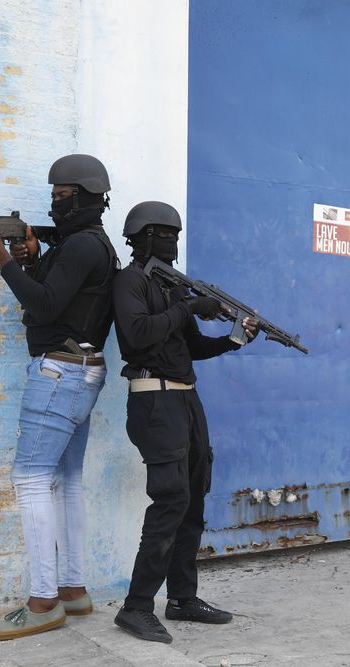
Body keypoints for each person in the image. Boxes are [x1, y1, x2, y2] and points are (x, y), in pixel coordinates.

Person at [0, 154, 120, 640]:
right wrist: (32, 260)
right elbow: (62, 298)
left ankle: (43, 601)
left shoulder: (80, 245)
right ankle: (73, 591)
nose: (55, 205)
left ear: (83, 196)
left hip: (59, 373)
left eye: (61, 197)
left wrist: (4, 260)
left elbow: (44, 304)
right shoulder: (90, 245)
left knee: (31, 481)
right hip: (82, 371)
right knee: (67, 479)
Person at [110, 200, 257, 644]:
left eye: (176, 233)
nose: (173, 241)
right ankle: (136, 607)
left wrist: (233, 340)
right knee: (171, 500)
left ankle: (182, 599)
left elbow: (191, 348)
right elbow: (135, 334)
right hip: (153, 401)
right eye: (164, 234)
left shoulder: (173, 289)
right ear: (142, 237)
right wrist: (190, 307)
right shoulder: (129, 281)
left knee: (193, 498)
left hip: (186, 401)